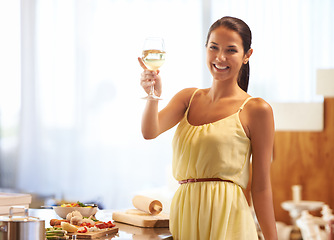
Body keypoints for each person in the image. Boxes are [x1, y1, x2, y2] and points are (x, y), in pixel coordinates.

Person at [138, 16, 278, 240]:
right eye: (214, 47)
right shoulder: (188, 98)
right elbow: (149, 132)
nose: (220, 57)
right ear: (206, 49)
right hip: (185, 215)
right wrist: (152, 94)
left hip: (228, 220)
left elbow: (261, 188)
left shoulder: (256, 110)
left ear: (247, 56)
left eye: (231, 50)